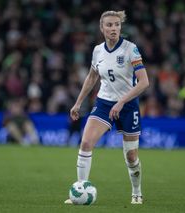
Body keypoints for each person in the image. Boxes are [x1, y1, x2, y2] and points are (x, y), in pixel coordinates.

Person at [64, 10, 149, 205]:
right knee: (85, 143)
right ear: (102, 28)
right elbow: (92, 77)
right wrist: (78, 102)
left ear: (120, 27)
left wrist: (121, 102)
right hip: (104, 102)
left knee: (131, 156)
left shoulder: (130, 49)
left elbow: (144, 82)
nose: (113, 28)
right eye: (109, 25)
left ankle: (136, 191)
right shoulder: (97, 50)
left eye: (116, 25)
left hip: (127, 106)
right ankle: (80, 189)